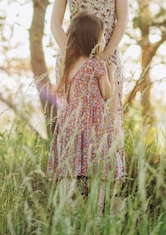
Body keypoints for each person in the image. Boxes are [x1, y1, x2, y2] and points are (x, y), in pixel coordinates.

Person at [50, 0, 128, 177]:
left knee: (108, 118)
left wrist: (104, 56)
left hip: (107, 57)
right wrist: (73, 55)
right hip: (72, 62)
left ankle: (108, 184)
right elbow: (55, 24)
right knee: (74, 121)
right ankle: (73, 182)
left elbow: (122, 19)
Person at [46, 12, 119, 211]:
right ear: (92, 39)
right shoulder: (97, 64)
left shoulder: (68, 65)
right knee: (100, 170)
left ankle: (65, 211)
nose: (104, 39)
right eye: (102, 35)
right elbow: (107, 93)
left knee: (69, 170)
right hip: (94, 124)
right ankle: (97, 212)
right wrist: (111, 72)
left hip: (71, 124)